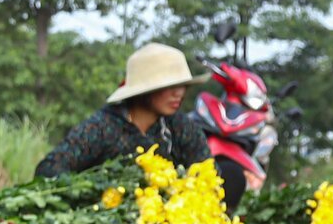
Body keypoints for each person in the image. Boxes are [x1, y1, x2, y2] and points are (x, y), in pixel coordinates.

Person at [34, 42, 214, 184]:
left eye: (182, 86)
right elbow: (49, 169)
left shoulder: (180, 127)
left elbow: (208, 173)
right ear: (145, 90)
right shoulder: (103, 127)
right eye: (170, 87)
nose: (179, 93)